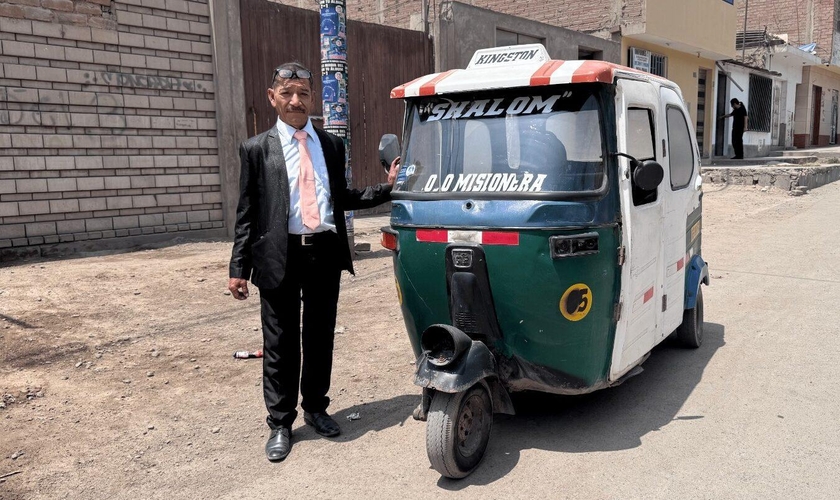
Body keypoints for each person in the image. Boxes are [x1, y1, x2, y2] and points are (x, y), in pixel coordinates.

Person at [228, 62, 400, 462]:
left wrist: (386, 190)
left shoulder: (330, 145)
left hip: (322, 251)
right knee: (280, 343)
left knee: (320, 336)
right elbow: (246, 212)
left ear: (312, 99)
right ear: (272, 98)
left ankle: (317, 409)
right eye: (287, 92)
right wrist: (238, 267)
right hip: (277, 256)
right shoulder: (257, 149)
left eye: (303, 93)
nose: (295, 100)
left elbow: (342, 197)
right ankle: (281, 423)